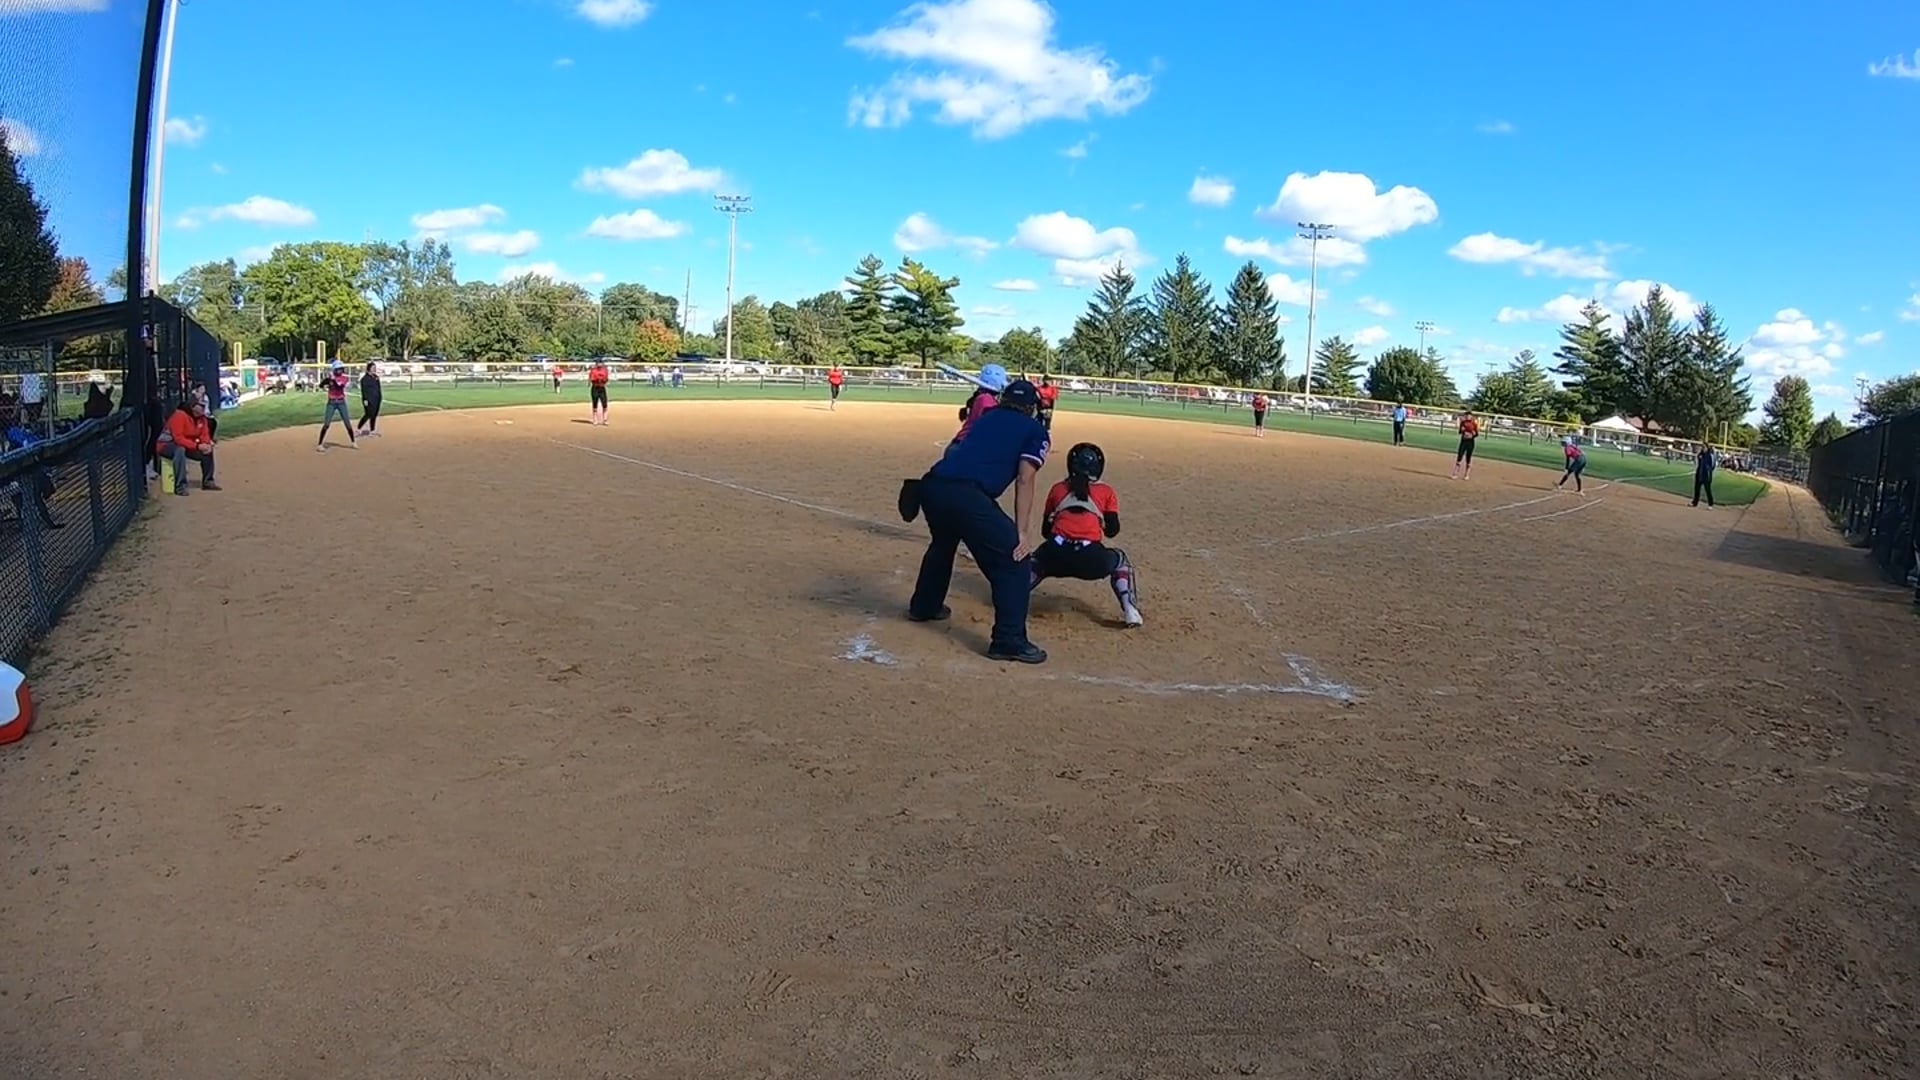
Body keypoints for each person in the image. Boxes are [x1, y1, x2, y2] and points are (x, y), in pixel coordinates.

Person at [902, 378, 1051, 664]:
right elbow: (1025, 478)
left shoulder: (986, 417)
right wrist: (1022, 532)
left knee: (943, 543)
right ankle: (1008, 641)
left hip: (932, 486)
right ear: (1032, 407)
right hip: (966, 495)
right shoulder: (1035, 429)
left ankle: (924, 606)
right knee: (1014, 561)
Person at [1030, 442, 1143, 628]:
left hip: (1056, 554)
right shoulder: (1106, 492)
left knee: (1037, 560)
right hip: (1091, 558)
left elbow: (1045, 532)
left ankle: (1011, 596)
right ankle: (1130, 610)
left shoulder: (1058, 489)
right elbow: (1112, 531)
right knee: (1121, 560)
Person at [157, 397, 219, 495]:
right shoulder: (179, 415)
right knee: (180, 450)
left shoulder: (202, 418)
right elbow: (178, 439)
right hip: (167, 444)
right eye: (201, 405)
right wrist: (197, 446)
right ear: (193, 407)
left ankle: (208, 481)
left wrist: (206, 444)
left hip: (186, 445)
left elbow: (204, 434)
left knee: (207, 450)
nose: (203, 407)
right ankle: (180, 486)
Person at [953, 363, 1009, 443]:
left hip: (967, 444)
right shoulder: (985, 399)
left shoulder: (983, 397)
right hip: (965, 445)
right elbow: (994, 423)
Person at [317, 359, 358, 452]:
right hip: (331, 402)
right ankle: (320, 444)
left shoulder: (344, 378)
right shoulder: (331, 378)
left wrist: (333, 379)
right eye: (338, 369)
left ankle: (353, 442)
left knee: (347, 423)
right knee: (326, 424)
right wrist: (326, 382)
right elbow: (321, 385)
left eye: (341, 369)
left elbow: (339, 386)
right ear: (334, 370)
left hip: (341, 402)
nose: (340, 370)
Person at [1450, 409, 1480, 480]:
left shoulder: (1474, 424)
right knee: (1459, 456)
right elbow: (1460, 432)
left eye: (1469, 416)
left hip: (1470, 442)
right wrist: (1463, 431)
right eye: (1466, 416)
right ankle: (1455, 473)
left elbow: (1476, 434)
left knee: (1468, 458)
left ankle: (1466, 474)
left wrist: (1472, 434)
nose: (1467, 417)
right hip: (1463, 442)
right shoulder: (1463, 423)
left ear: (1471, 416)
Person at [356, 361, 384, 437]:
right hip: (369, 400)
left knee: (374, 415)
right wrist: (365, 400)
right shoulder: (365, 379)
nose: (374, 369)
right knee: (368, 414)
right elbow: (364, 391)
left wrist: (380, 397)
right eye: (373, 367)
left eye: (375, 367)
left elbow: (378, 388)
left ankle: (372, 430)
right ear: (369, 368)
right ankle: (358, 428)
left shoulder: (376, 377)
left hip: (376, 399)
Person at [588, 358, 611, 425]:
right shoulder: (593, 370)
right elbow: (592, 379)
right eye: (598, 363)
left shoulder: (604, 370)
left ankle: (605, 419)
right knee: (595, 404)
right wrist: (600, 378)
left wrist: (600, 378)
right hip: (595, 387)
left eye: (600, 362)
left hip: (602, 388)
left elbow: (606, 379)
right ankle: (595, 419)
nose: (599, 364)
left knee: (604, 403)